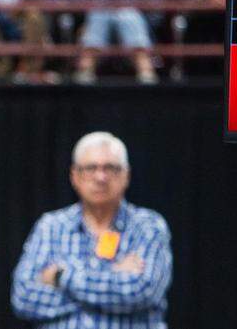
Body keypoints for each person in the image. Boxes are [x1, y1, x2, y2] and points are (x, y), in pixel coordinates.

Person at [11, 131, 172, 328]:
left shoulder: (148, 225)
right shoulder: (51, 226)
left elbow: (141, 292)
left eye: (111, 168)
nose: (100, 177)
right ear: (74, 176)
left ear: (126, 175)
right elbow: (23, 298)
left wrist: (60, 277)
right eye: (90, 168)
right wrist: (112, 274)